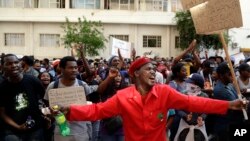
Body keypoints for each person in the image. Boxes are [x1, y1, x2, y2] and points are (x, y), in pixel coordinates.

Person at [58, 57, 246, 141]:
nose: (153, 72)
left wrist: (229, 104)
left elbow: (193, 102)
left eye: (154, 69)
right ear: (136, 73)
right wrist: (71, 111)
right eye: (148, 69)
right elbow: (96, 111)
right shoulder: (122, 97)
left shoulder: (164, 92)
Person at [44, 56, 98, 141]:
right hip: (61, 133)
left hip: (81, 132)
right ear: (62, 69)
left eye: (76, 68)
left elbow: (87, 106)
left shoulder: (82, 85)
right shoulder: (53, 86)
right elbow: (49, 107)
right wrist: (52, 113)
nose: (74, 70)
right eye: (70, 68)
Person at [0, 54, 45, 141]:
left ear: (21, 64)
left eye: (16, 62)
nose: (13, 65)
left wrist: (48, 116)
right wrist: (18, 127)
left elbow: (46, 100)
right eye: (9, 63)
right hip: (12, 131)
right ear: (2, 67)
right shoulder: (2, 88)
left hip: (35, 129)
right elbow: (2, 113)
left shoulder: (33, 80)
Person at [212, 62, 245, 141]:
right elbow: (238, 105)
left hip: (235, 122)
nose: (232, 76)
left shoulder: (230, 84)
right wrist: (244, 102)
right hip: (227, 126)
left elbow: (240, 97)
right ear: (221, 76)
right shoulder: (220, 90)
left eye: (232, 74)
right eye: (229, 74)